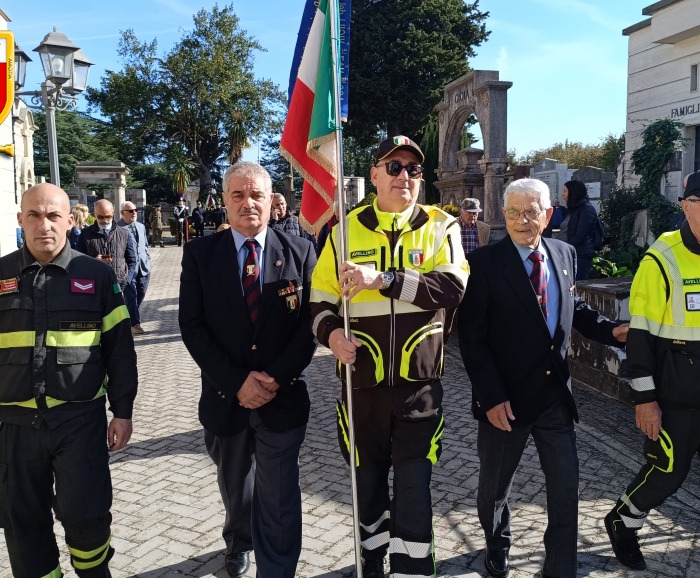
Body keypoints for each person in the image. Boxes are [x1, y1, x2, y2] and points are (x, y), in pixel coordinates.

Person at [0, 183, 137, 578]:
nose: (44, 225)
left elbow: (120, 351)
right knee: (21, 523)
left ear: (70, 221)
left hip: (79, 423)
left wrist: (123, 411)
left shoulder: (98, 277)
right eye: (34, 215)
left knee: (86, 518)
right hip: (16, 427)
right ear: (21, 221)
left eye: (53, 216)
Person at [310, 135, 469, 578]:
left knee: (415, 488)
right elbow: (319, 301)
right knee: (368, 486)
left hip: (419, 389)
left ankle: (413, 570)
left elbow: (452, 289)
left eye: (413, 169)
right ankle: (371, 561)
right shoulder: (344, 231)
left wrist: (385, 279)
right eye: (394, 167)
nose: (405, 176)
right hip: (360, 386)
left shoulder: (443, 226)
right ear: (374, 174)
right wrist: (331, 333)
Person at [458, 178, 627, 578]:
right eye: (512, 212)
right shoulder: (484, 264)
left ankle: (559, 567)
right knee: (494, 491)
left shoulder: (563, 252)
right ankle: (497, 543)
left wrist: (612, 330)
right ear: (503, 214)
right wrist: (490, 396)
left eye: (530, 212)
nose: (520, 221)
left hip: (555, 397)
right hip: (506, 402)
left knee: (566, 490)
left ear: (548, 215)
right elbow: (473, 340)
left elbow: (575, 305)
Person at [603, 168, 700, 578]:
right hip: (677, 400)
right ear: (686, 206)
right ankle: (623, 519)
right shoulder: (662, 259)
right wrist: (645, 400)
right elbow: (641, 338)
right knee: (665, 476)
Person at [179, 161, 317, 578]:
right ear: (224, 201)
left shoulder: (301, 251)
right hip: (226, 398)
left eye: (256, 194)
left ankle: (276, 570)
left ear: (272, 200)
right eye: (238, 195)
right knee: (236, 487)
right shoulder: (201, 254)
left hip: (282, 396)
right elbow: (193, 326)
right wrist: (237, 382)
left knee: (279, 495)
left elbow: (311, 324)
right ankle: (239, 540)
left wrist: (273, 379)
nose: (248, 203)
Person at [77, 200, 138, 296]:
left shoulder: (124, 233)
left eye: (108, 217)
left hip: (119, 286)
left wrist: (127, 280)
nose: (105, 220)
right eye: (100, 217)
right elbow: (78, 261)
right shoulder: (85, 234)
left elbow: (132, 260)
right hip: (95, 286)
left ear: (113, 213)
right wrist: (94, 262)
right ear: (95, 214)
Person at [555, 179, 602, 280]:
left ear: (573, 192)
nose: (563, 195)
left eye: (565, 191)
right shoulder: (572, 210)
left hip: (579, 256)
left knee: (577, 287)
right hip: (567, 254)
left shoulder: (586, 209)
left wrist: (564, 249)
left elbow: (580, 236)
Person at [118, 201, 152, 335]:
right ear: (122, 214)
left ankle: (127, 317)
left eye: (135, 210)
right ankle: (134, 324)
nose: (134, 213)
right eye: (130, 211)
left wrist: (148, 260)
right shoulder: (117, 228)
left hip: (144, 267)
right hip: (127, 269)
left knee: (141, 293)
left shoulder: (141, 226)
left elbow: (145, 246)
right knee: (131, 296)